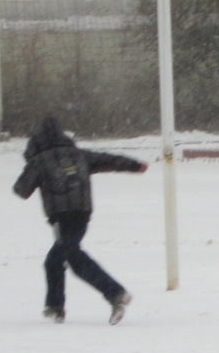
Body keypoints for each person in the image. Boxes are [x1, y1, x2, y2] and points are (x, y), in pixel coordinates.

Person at [13, 116, 148, 325]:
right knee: (54, 261)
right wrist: (134, 165)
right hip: (82, 214)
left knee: (73, 258)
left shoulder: (39, 161)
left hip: (61, 217)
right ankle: (55, 308)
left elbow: (21, 190)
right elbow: (108, 160)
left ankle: (115, 294)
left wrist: (32, 166)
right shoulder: (79, 155)